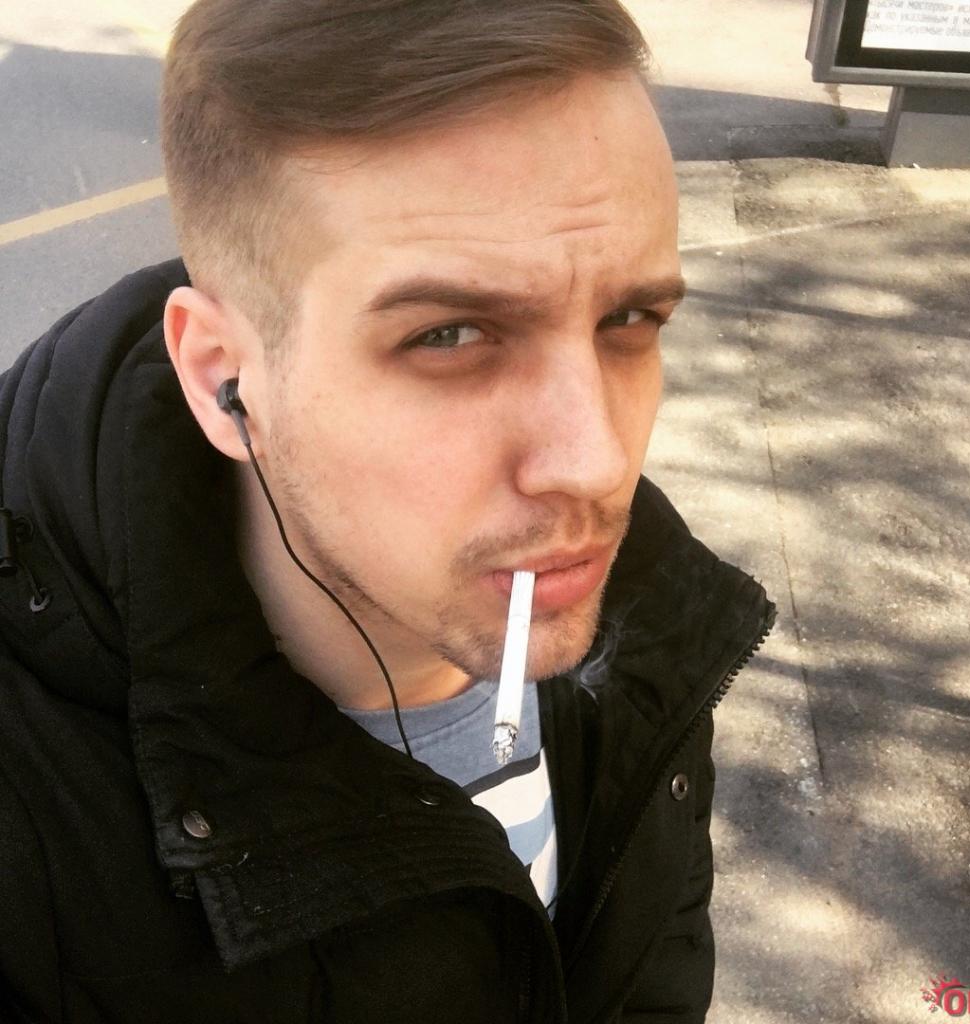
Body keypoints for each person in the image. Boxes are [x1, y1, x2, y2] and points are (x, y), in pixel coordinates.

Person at [0, 1, 775, 1021]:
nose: (595, 465)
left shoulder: (649, 623)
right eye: (450, 335)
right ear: (223, 378)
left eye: (627, 319)